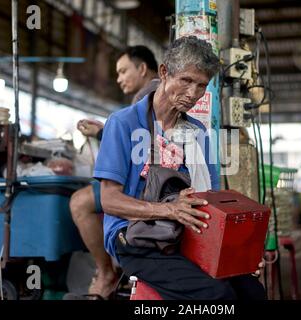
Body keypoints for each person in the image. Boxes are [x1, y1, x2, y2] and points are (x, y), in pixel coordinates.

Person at [94, 36, 266, 300]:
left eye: (201, 85)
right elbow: (109, 200)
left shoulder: (197, 132)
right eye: (186, 80)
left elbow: (211, 202)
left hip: (182, 234)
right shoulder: (123, 123)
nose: (193, 93)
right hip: (134, 237)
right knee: (215, 294)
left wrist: (237, 251)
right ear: (164, 72)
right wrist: (169, 210)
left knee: (252, 291)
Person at [68, 46, 159, 300]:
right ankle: (116, 267)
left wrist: (100, 132)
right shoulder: (147, 96)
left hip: (143, 185)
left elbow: (139, 142)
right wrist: (103, 129)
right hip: (146, 180)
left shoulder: (150, 94)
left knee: (79, 203)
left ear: (142, 68)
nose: (118, 78)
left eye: (123, 71)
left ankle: (107, 273)